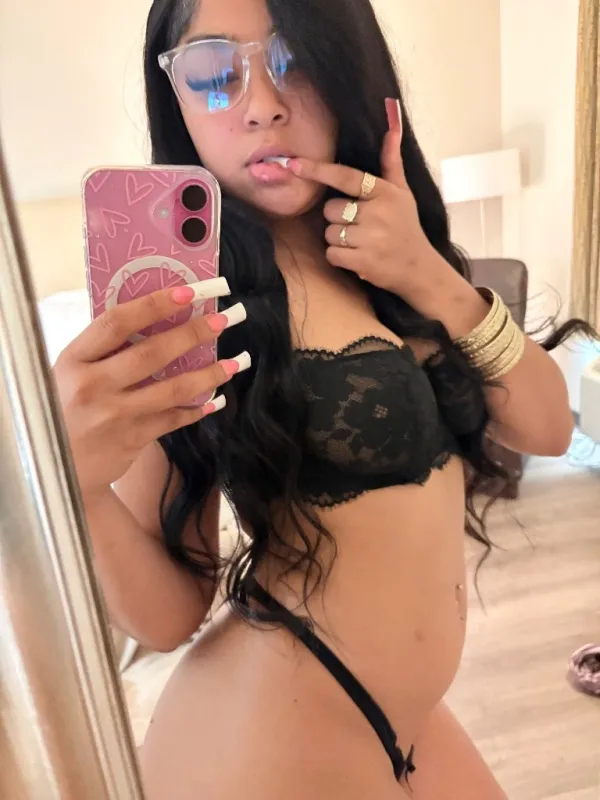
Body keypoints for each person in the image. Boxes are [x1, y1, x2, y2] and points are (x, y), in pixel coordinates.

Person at [53, 0, 593, 797]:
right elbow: (171, 616)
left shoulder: (396, 251)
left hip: (408, 719)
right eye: (212, 72)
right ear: (175, 100)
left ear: (347, 67)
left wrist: (429, 274)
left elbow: (547, 428)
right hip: (274, 734)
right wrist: (78, 486)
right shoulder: (188, 307)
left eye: (294, 58)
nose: (262, 105)